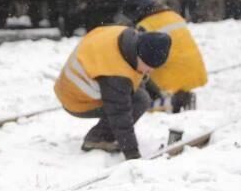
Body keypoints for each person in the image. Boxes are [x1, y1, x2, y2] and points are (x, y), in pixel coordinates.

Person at [54, 24, 172, 159]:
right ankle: (96, 139)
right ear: (139, 55)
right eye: (149, 67)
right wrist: (132, 154)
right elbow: (120, 114)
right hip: (76, 99)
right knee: (140, 100)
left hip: (71, 83)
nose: (150, 71)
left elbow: (139, 77)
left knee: (135, 91)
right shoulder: (115, 74)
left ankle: (101, 135)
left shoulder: (129, 38)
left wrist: (158, 94)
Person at [122, 0, 207, 113]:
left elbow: (137, 59)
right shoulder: (173, 15)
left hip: (170, 78)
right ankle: (183, 96)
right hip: (194, 72)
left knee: (139, 79)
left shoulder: (144, 26)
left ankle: (169, 102)